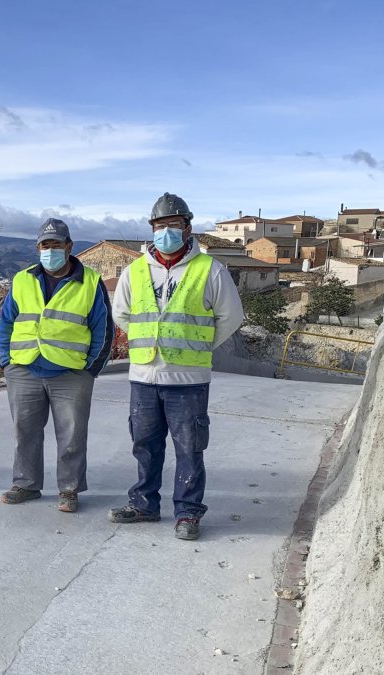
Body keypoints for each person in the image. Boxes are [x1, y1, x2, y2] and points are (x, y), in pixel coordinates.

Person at [107, 193, 245, 540]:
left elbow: (231, 317)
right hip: (143, 376)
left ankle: (187, 513)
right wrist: (149, 341)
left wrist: (197, 345)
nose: (165, 231)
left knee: (189, 449)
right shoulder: (135, 271)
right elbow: (121, 313)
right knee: (144, 445)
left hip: (188, 379)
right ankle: (143, 504)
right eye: (159, 225)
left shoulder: (210, 269)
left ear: (187, 228)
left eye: (173, 225)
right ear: (151, 229)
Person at [0, 218, 114, 513]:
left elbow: (104, 329)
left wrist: (90, 369)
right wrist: (6, 360)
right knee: (25, 431)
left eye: (56, 244)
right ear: (38, 248)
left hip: (71, 373)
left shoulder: (90, 281)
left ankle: (69, 489)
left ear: (69, 246)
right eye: (45, 245)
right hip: (24, 368)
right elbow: (6, 321)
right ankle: (26, 484)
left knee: (72, 434)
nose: (50, 250)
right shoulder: (22, 279)